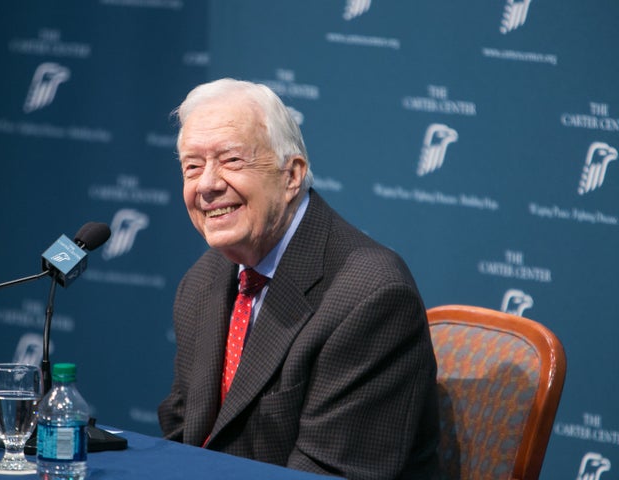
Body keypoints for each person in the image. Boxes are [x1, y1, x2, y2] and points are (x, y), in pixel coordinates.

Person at [158, 78, 440, 480]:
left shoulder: (371, 296)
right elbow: (182, 434)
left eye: (231, 161)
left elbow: (329, 472)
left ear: (291, 175)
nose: (207, 185)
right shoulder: (203, 281)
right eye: (192, 167)